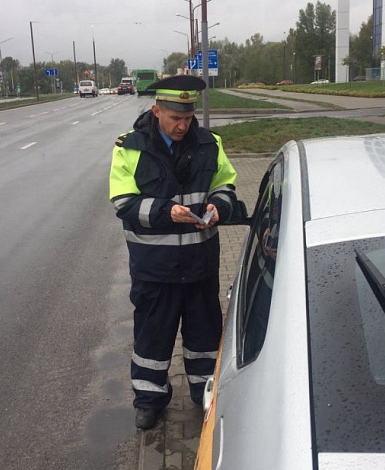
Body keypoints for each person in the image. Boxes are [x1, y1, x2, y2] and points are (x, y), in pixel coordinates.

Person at [109, 75, 239, 430]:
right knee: (153, 336)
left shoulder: (209, 143)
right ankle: (149, 399)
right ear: (156, 111)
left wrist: (217, 208)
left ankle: (205, 393)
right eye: (174, 118)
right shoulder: (130, 147)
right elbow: (123, 202)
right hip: (155, 269)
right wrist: (165, 211)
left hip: (200, 266)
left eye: (188, 117)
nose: (183, 125)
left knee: (205, 336)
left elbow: (225, 185)